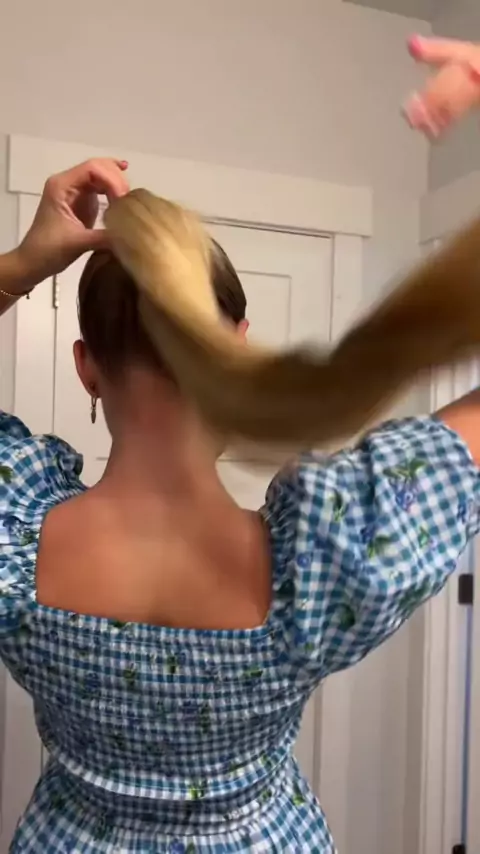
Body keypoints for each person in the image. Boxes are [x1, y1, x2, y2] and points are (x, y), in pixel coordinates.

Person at [0, 37, 480, 854]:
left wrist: (19, 265)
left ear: (87, 367)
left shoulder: (13, 536)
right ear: (239, 342)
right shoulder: (337, 552)